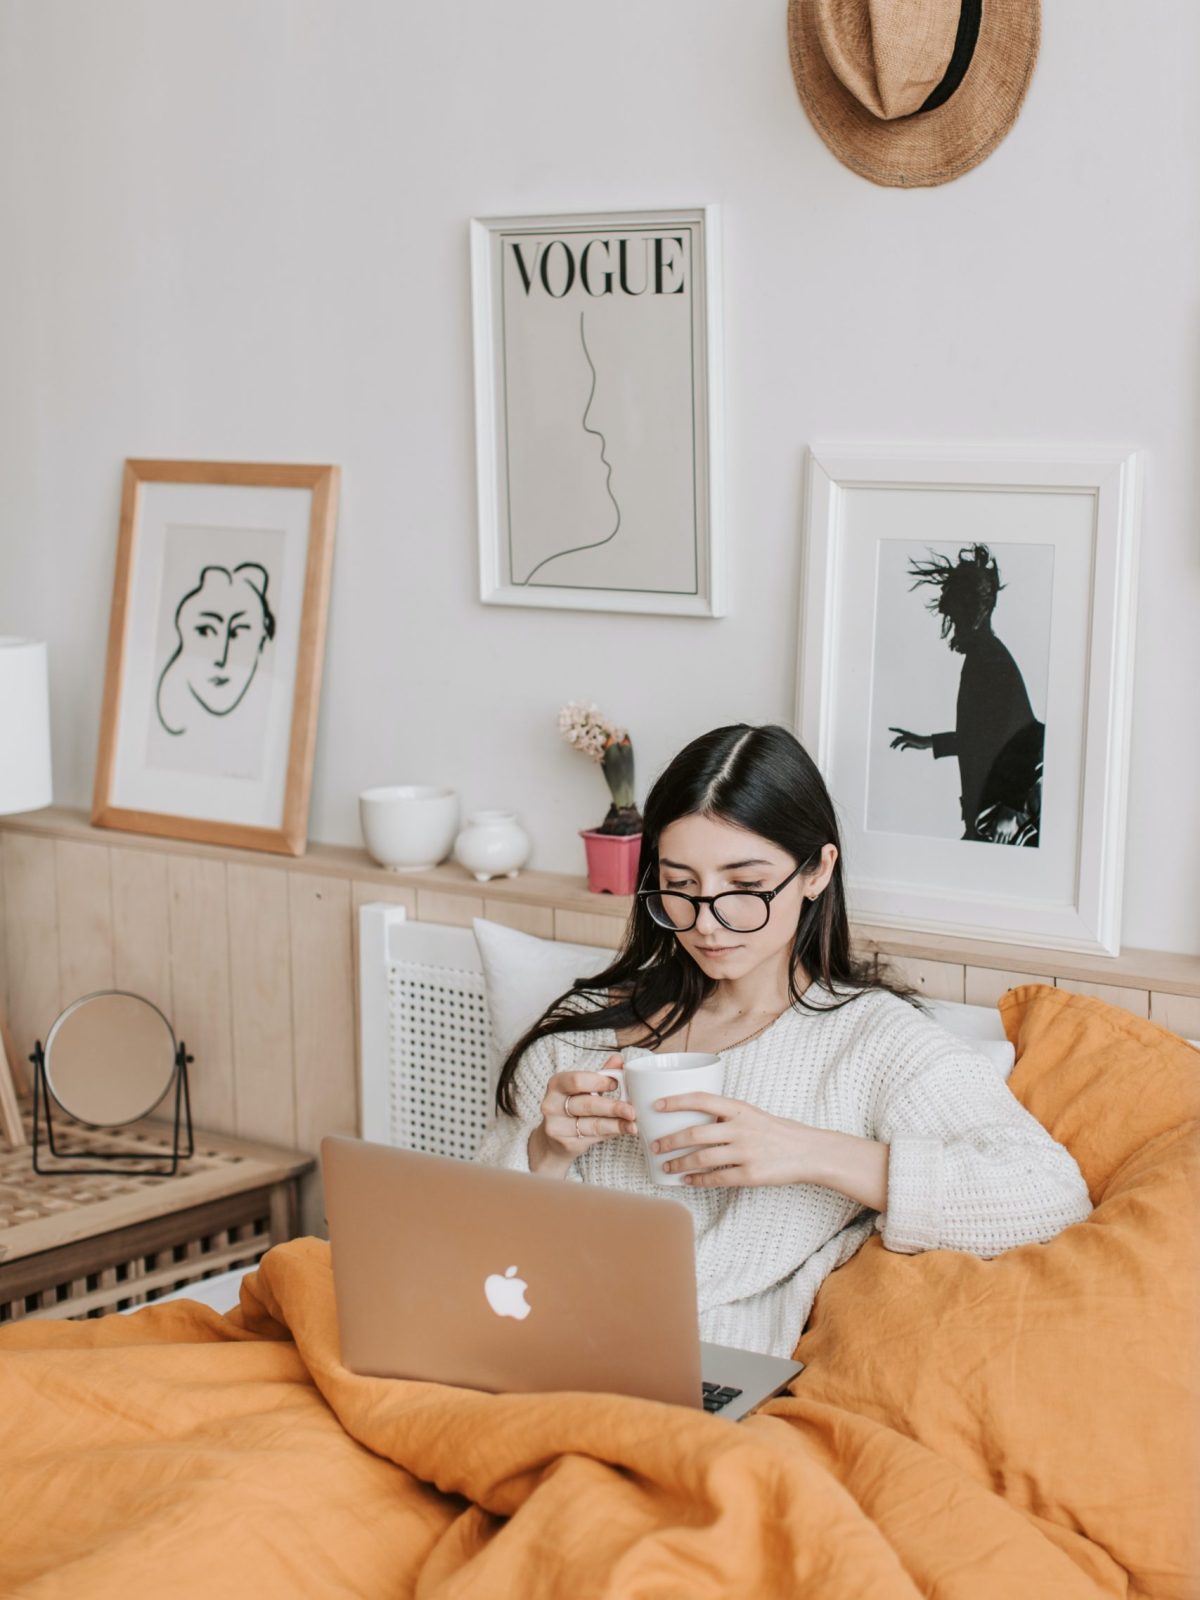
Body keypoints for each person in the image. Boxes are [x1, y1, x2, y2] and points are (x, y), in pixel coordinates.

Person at [476, 724, 1091, 1359]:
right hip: (532, 1346)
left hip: (698, 1375)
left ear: (817, 871)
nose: (709, 922)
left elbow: (1049, 1194)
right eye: (681, 886)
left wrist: (808, 1151)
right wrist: (545, 1152)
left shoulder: (872, 1043)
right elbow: (474, 1246)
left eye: (744, 888)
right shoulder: (580, 1035)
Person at [888, 544, 1044, 845]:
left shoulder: (990, 660)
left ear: (973, 611)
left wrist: (1011, 808)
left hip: (1001, 817)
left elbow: (1028, 736)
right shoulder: (980, 658)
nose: (948, 617)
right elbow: (985, 735)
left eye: (953, 611)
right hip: (989, 812)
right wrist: (930, 742)